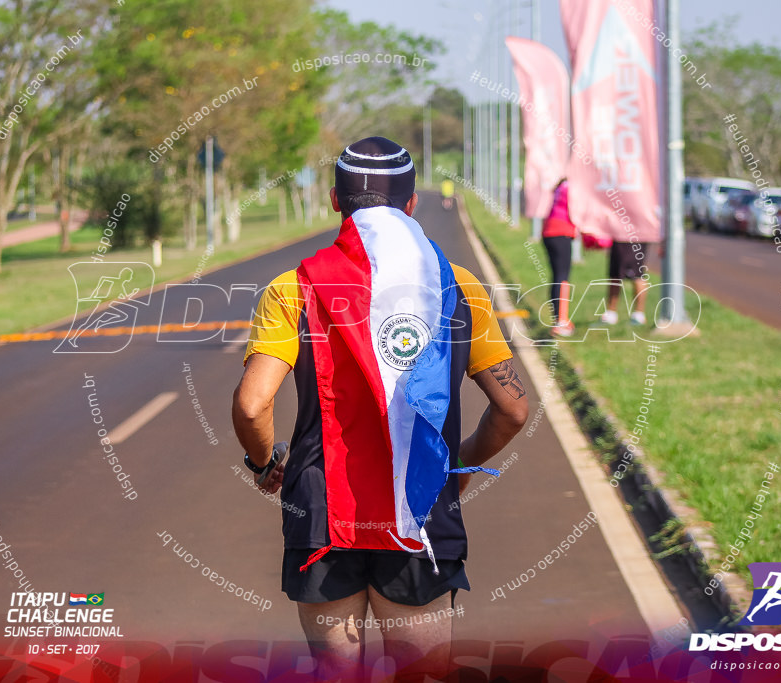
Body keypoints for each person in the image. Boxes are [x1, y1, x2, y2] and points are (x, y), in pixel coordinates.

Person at [232, 136, 528, 681]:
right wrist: (453, 471)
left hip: (322, 516)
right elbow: (512, 409)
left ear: (333, 200)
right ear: (411, 204)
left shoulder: (292, 288)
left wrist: (263, 464)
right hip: (418, 513)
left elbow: (253, 406)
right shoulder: (459, 287)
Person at [541, 178, 576, 337]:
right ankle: (561, 321)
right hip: (561, 232)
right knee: (563, 277)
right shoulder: (574, 187)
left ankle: (559, 319)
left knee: (557, 276)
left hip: (549, 231)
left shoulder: (562, 185)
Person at [600, 240, 651, 325]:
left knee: (637, 274)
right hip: (620, 235)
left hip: (633, 235)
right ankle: (611, 313)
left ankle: (639, 315)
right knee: (616, 273)